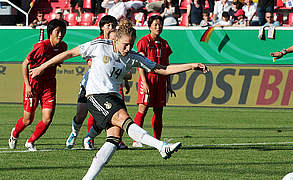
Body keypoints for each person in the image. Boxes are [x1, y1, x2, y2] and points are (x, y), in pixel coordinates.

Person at [29, 19, 208, 179]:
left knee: (113, 139)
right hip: (96, 96)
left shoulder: (132, 57)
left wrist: (192, 66)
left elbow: (163, 69)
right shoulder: (99, 46)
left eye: (131, 44)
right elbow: (68, 54)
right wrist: (41, 67)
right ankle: (161, 146)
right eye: (125, 45)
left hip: (114, 97)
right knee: (125, 119)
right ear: (116, 40)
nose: (128, 48)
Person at [66, 15, 130, 150]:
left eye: (113, 26)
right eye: (108, 25)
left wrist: (125, 80)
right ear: (102, 27)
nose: (111, 28)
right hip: (91, 83)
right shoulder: (97, 43)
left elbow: (121, 66)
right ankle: (74, 133)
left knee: (108, 115)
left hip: (109, 85)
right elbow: (90, 62)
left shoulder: (118, 44)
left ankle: (91, 138)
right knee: (81, 114)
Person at [8, 19, 67, 151]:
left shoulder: (63, 47)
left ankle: (30, 141)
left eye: (63, 31)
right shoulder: (41, 47)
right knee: (28, 120)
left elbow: (56, 60)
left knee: (47, 118)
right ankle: (14, 134)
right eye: (57, 31)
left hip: (49, 85)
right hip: (34, 84)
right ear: (50, 33)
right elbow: (25, 64)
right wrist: (27, 85)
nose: (60, 34)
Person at [132, 16, 175, 148]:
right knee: (143, 109)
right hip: (148, 79)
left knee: (159, 111)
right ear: (149, 26)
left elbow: (166, 65)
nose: (158, 27)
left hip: (161, 80)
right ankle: (136, 140)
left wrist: (169, 84)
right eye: (155, 24)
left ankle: (157, 141)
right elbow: (140, 63)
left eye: (160, 24)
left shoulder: (164, 43)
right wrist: (144, 82)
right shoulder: (143, 42)